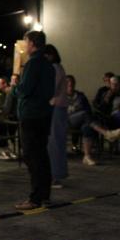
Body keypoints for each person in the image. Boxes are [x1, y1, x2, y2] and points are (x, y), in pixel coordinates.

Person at [11, 31, 55, 210]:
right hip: (44, 113)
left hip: (31, 115)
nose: (24, 46)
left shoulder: (33, 64)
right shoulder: (48, 65)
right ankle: (44, 194)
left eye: (26, 42)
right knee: (42, 155)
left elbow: (24, 90)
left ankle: (35, 198)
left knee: (32, 156)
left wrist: (14, 87)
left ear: (32, 44)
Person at [44, 45, 68, 187]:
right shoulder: (59, 67)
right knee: (56, 141)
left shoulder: (55, 68)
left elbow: (51, 88)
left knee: (54, 141)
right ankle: (57, 173)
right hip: (59, 106)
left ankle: (54, 175)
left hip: (56, 106)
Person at [82, 75, 120, 165]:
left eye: (117, 84)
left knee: (88, 124)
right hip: (106, 118)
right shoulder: (104, 92)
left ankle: (86, 156)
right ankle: (87, 156)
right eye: (112, 84)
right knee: (88, 125)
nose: (114, 86)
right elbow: (98, 107)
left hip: (116, 119)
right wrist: (106, 100)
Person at [65, 75, 92, 150]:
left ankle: (87, 155)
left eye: (72, 83)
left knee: (87, 127)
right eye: (67, 83)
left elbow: (88, 109)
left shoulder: (80, 96)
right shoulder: (61, 96)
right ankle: (105, 132)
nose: (70, 85)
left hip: (80, 121)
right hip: (67, 121)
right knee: (84, 114)